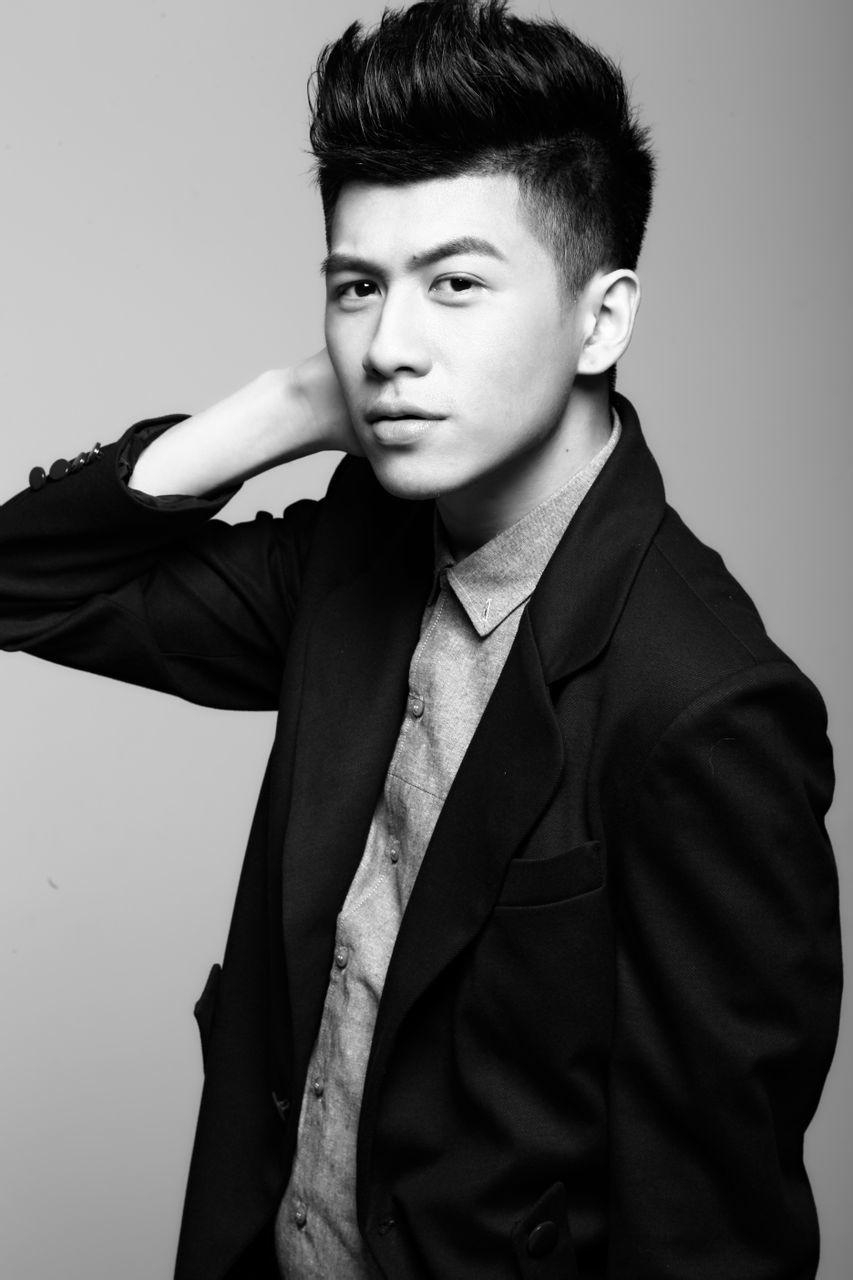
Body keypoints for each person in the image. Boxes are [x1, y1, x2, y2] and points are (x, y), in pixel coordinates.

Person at [0, 1, 841, 1277]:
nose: (389, 348)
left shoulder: (704, 706)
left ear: (602, 319)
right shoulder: (357, 557)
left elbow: (710, 1233)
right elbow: (23, 584)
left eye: (455, 283)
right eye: (357, 288)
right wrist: (284, 405)